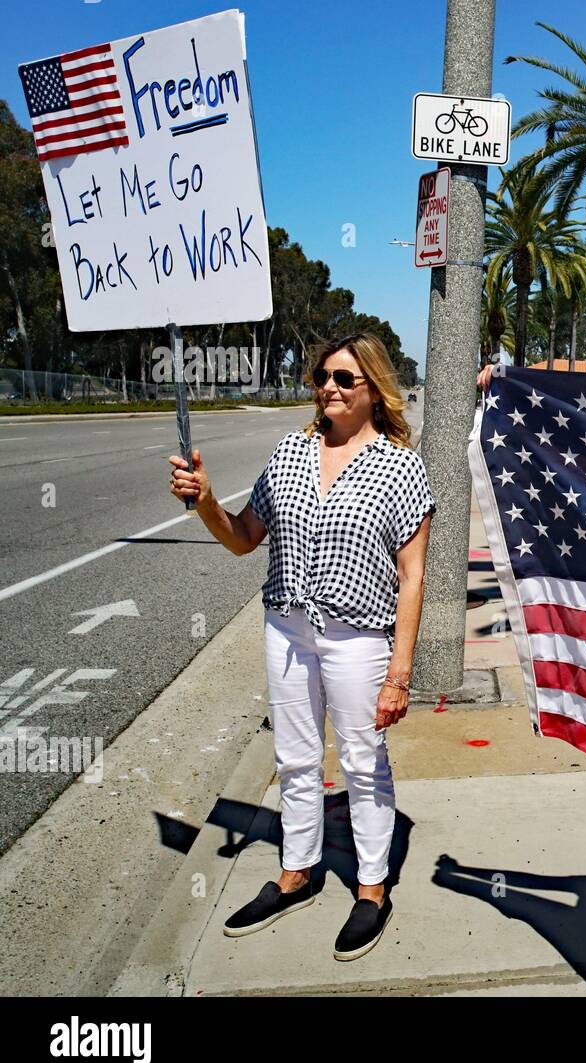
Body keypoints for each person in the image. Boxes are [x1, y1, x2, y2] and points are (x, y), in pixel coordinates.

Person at [167, 332, 435, 961]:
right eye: (323, 377)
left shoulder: (400, 466)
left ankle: (371, 888)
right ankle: (298, 871)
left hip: (359, 638)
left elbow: (413, 576)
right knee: (294, 758)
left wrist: (400, 671)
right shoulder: (289, 453)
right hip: (287, 629)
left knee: (363, 763)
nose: (330, 388)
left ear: (374, 390)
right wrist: (205, 501)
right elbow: (242, 538)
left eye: (346, 379)